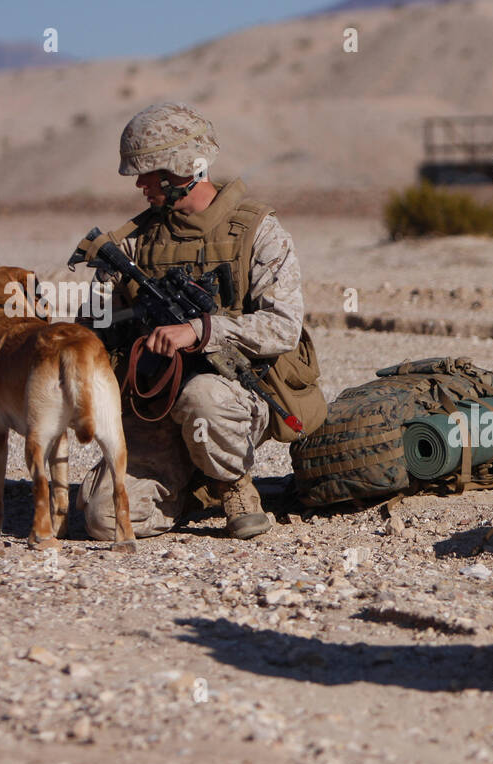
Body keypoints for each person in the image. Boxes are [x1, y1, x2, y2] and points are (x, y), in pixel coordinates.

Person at [74, 102, 322, 540]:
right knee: (104, 519)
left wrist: (203, 330)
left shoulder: (257, 231)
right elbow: (98, 324)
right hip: (155, 399)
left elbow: (282, 326)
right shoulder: (134, 242)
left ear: (182, 169)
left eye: (148, 173)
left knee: (203, 396)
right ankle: (188, 485)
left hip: (235, 392)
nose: (139, 184)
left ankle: (233, 485)